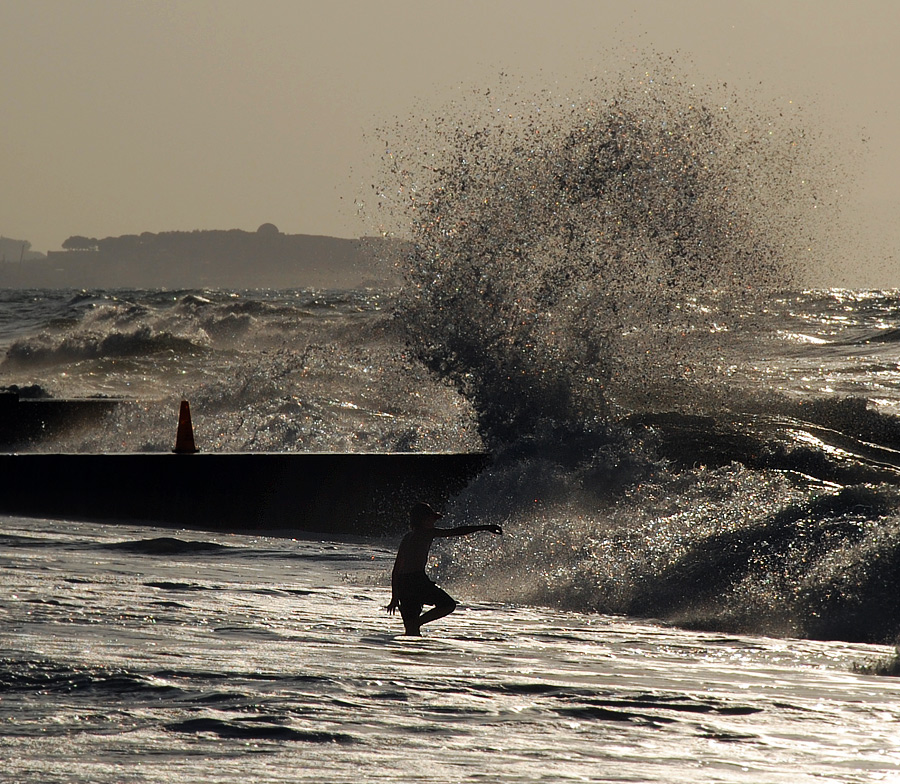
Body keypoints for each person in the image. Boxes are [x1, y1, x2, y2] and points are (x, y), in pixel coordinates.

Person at [386, 501, 502, 636]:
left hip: (404, 584)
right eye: (431, 519)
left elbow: (396, 571)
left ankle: (410, 644)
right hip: (417, 581)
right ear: (422, 520)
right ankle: (418, 623)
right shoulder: (428, 533)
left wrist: (395, 596)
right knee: (448, 605)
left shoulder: (407, 537)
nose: (434, 522)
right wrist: (485, 527)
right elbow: (457, 531)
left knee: (411, 633)